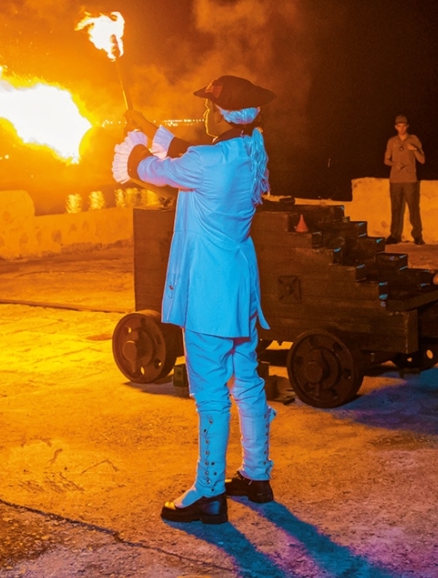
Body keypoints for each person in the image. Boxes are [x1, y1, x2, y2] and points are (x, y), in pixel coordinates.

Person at [112, 75, 278, 524]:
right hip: (241, 283)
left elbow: (151, 171)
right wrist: (148, 125)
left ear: (219, 114)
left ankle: (208, 492)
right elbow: (186, 151)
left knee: (209, 396)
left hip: (209, 291)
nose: (204, 111)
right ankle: (257, 475)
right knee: (246, 380)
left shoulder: (209, 161)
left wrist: (131, 147)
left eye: (209, 105)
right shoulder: (251, 148)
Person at [384, 115, 426, 244]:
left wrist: (415, 149)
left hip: (410, 179)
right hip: (395, 180)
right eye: (399, 126)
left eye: (404, 126)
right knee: (396, 208)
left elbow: (422, 160)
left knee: (413, 208)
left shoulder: (413, 139)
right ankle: (394, 235)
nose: (401, 129)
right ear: (395, 127)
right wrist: (394, 164)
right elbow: (386, 160)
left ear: (407, 126)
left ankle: (417, 235)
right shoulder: (392, 141)